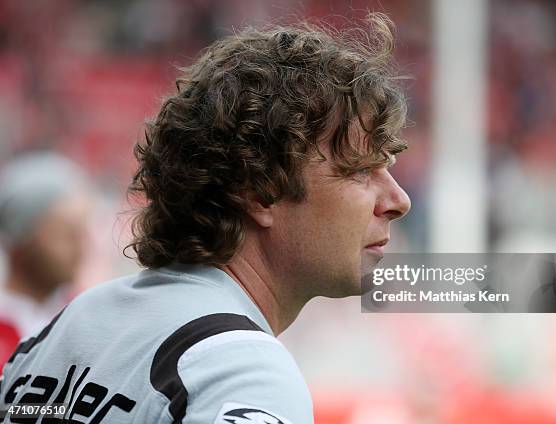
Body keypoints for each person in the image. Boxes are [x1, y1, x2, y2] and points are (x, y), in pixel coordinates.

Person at [0, 13, 410, 424]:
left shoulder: (67, 327)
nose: (399, 200)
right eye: (359, 169)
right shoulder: (243, 373)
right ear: (259, 189)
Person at [0, 152, 90, 368]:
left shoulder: (88, 315)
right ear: (21, 240)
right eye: (66, 235)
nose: (80, 249)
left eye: (81, 234)